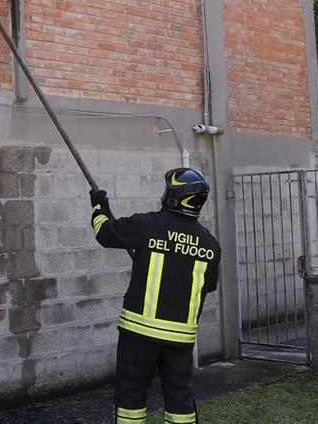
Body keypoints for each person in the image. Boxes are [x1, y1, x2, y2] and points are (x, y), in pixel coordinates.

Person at [90, 168, 222, 424]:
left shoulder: (148, 225)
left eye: (167, 191)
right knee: (179, 398)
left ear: (175, 197)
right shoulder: (210, 244)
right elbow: (209, 286)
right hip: (181, 340)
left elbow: (105, 233)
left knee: (131, 397)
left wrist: (99, 205)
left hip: (139, 334)